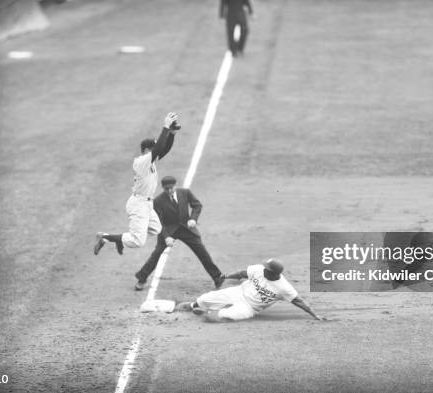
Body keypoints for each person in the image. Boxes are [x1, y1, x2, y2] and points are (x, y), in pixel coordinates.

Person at [94, 112, 181, 256]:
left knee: (156, 229)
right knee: (138, 241)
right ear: (146, 150)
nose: (155, 151)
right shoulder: (142, 162)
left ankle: (119, 240)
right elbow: (159, 148)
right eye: (152, 150)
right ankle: (104, 237)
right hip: (138, 204)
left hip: (146, 203)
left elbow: (163, 150)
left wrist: (171, 134)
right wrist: (165, 127)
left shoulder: (149, 161)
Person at [134, 176, 225, 290]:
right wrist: (166, 237)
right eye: (167, 189)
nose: (169, 191)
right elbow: (159, 222)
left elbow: (197, 205)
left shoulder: (185, 193)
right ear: (163, 188)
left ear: (176, 185)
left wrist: (193, 219)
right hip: (168, 230)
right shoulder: (157, 201)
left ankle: (217, 277)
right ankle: (142, 279)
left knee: (202, 252)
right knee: (156, 254)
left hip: (186, 228)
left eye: (171, 188)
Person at [177, 259, 325, 322]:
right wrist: (226, 275)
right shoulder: (258, 269)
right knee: (205, 299)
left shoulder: (284, 287)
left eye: (267, 268)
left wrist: (315, 315)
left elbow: (299, 302)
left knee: (227, 315)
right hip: (238, 292)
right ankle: (193, 306)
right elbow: (242, 273)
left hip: (250, 307)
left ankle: (209, 314)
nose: (264, 268)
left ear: (274, 273)